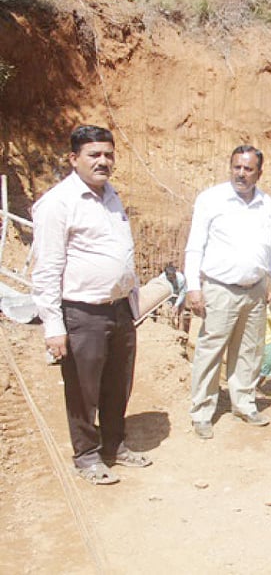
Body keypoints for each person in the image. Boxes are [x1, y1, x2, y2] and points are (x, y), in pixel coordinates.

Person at [31, 125, 152, 485]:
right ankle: (86, 455)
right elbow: (47, 268)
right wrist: (54, 326)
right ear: (73, 159)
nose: (103, 161)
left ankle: (114, 444)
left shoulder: (111, 196)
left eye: (108, 154)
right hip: (83, 312)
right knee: (83, 389)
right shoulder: (58, 203)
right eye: (94, 155)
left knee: (118, 382)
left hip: (118, 309)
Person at [184, 144, 271, 439]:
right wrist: (193, 286)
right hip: (220, 289)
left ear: (259, 172)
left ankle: (244, 403)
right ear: (230, 167)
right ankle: (202, 412)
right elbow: (195, 245)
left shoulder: (266, 203)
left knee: (249, 350)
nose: (241, 174)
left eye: (248, 169)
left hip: (255, 290)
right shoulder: (211, 199)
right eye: (237, 167)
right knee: (211, 350)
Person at [159, 263, 188, 331]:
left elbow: (182, 293)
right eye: (170, 278)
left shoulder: (181, 278)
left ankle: (182, 331)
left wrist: (176, 305)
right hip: (167, 296)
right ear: (166, 276)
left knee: (181, 313)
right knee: (167, 312)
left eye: (174, 276)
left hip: (179, 294)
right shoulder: (161, 279)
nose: (173, 279)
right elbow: (161, 294)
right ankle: (170, 330)